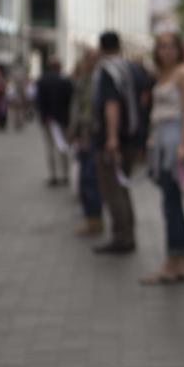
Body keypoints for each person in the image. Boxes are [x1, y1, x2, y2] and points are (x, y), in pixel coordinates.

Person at [139, 34, 184, 285]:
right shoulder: (162, 74)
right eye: (162, 47)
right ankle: (178, 260)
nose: (166, 51)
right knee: (169, 202)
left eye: (171, 46)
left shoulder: (183, 73)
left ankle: (176, 259)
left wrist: (183, 144)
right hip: (160, 138)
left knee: (172, 201)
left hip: (173, 138)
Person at [91, 31, 140, 254]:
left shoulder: (107, 71)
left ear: (101, 47)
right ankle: (128, 233)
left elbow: (111, 104)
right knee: (123, 187)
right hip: (132, 137)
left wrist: (111, 138)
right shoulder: (131, 68)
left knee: (113, 189)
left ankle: (122, 237)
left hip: (113, 140)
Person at [68, 49, 104, 237]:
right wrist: (74, 131)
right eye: (87, 59)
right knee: (85, 177)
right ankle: (92, 218)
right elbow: (77, 108)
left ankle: (95, 219)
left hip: (93, 133)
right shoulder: (83, 81)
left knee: (90, 178)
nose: (89, 63)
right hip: (84, 133)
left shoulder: (98, 81)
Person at [35, 59, 74, 187]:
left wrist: (45, 116)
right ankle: (65, 175)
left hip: (48, 120)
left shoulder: (42, 81)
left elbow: (39, 101)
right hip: (62, 119)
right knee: (63, 146)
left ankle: (53, 175)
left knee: (50, 147)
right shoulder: (65, 81)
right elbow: (70, 101)